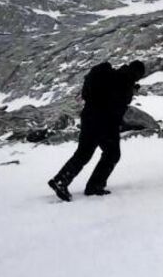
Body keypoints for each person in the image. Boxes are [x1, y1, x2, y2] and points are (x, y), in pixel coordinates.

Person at [48, 60, 146, 201]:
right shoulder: (125, 80)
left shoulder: (112, 75)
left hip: (89, 116)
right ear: (137, 74)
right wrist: (130, 93)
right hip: (104, 123)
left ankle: (61, 180)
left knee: (84, 153)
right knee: (112, 154)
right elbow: (117, 106)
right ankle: (94, 186)